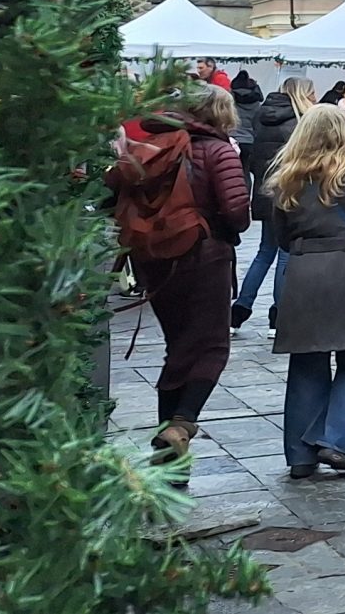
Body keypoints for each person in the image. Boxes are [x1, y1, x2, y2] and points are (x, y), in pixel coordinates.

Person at [109, 83, 251, 473]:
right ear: (220, 113)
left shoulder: (153, 145)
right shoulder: (218, 150)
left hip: (152, 258)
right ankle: (181, 424)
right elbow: (237, 212)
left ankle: (169, 463)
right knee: (212, 347)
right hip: (204, 255)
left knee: (178, 349)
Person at [265, 103, 345, 478]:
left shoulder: (288, 175)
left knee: (306, 364)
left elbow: (281, 237)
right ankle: (333, 438)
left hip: (304, 274)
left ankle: (300, 457)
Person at [233, 76, 313, 330]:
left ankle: (240, 308)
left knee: (265, 251)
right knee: (285, 254)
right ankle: (278, 316)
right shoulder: (300, 120)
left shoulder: (261, 114)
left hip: (265, 191)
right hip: (291, 193)